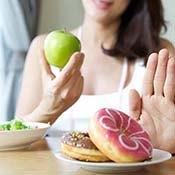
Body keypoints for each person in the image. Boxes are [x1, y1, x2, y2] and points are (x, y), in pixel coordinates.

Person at [16, 0, 175, 153]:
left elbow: (167, 140)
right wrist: (47, 110)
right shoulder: (42, 47)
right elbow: (13, 144)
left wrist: (168, 149)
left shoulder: (158, 54)